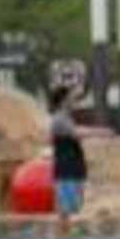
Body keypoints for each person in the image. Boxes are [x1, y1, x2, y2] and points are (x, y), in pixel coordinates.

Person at [46, 82, 89, 221]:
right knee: (67, 211)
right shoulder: (59, 119)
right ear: (63, 100)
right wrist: (102, 132)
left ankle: (68, 237)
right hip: (67, 170)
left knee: (74, 208)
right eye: (71, 98)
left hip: (73, 169)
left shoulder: (66, 119)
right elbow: (76, 133)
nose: (74, 101)